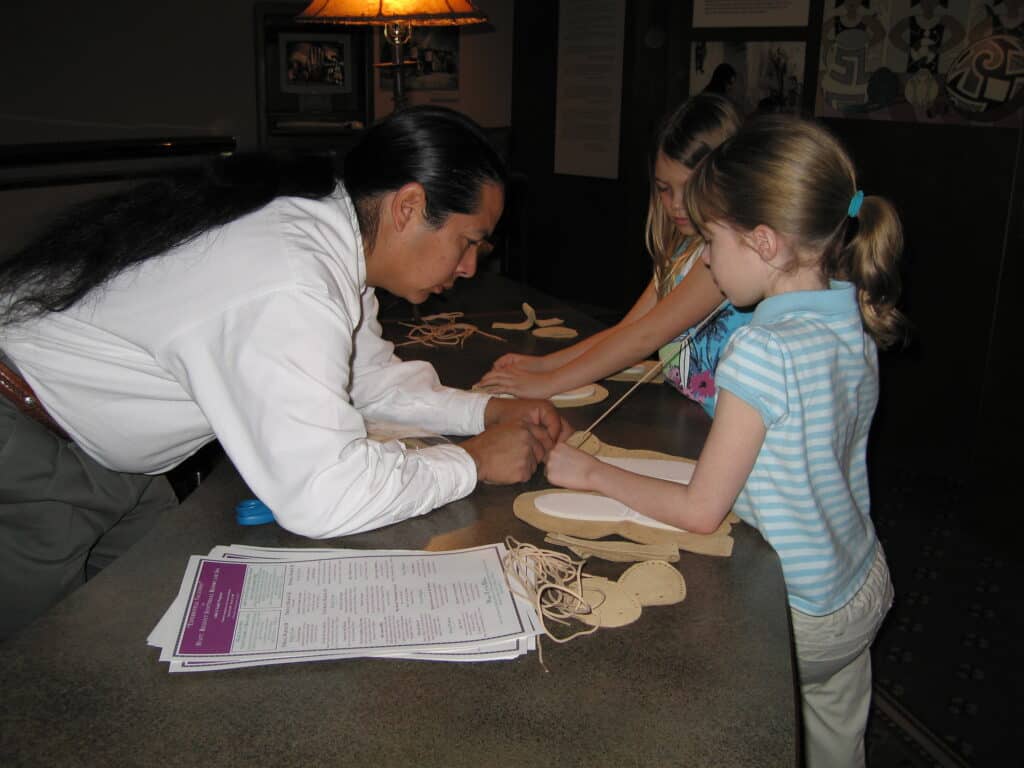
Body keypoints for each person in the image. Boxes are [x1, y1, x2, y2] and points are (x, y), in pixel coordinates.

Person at [0, 106, 571, 640]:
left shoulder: (330, 236)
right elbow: (321, 496)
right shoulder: (293, 277)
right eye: (467, 242)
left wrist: (487, 410)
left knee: (138, 630)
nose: (471, 267)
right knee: (38, 680)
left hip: (104, 454)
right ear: (408, 207)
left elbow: (363, 379)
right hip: (28, 452)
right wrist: (472, 461)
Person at [545, 114, 907, 768]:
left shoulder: (760, 349)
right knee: (835, 746)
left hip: (797, 611)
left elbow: (699, 509)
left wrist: (589, 473)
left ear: (764, 242)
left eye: (712, 240)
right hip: (863, 584)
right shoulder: (853, 311)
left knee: (685, 707)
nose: (705, 259)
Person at [476, 93, 751, 416]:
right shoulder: (684, 247)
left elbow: (645, 337)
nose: (676, 204)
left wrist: (549, 383)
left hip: (724, 424)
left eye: (690, 189)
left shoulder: (722, 261)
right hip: (690, 412)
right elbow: (628, 328)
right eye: (664, 189)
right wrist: (544, 364)